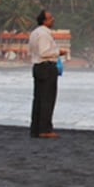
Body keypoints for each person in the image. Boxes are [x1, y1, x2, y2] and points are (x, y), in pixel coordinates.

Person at [29, 9, 68, 138]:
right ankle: (45, 129)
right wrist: (58, 52)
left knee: (38, 99)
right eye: (50, 18)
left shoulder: (34, 33)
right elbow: (44, 52)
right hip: (46, 66)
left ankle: (36, 128)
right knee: (47, 99)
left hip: (38, 66)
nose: (53, 20)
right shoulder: (44, 34)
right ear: (44, 21)